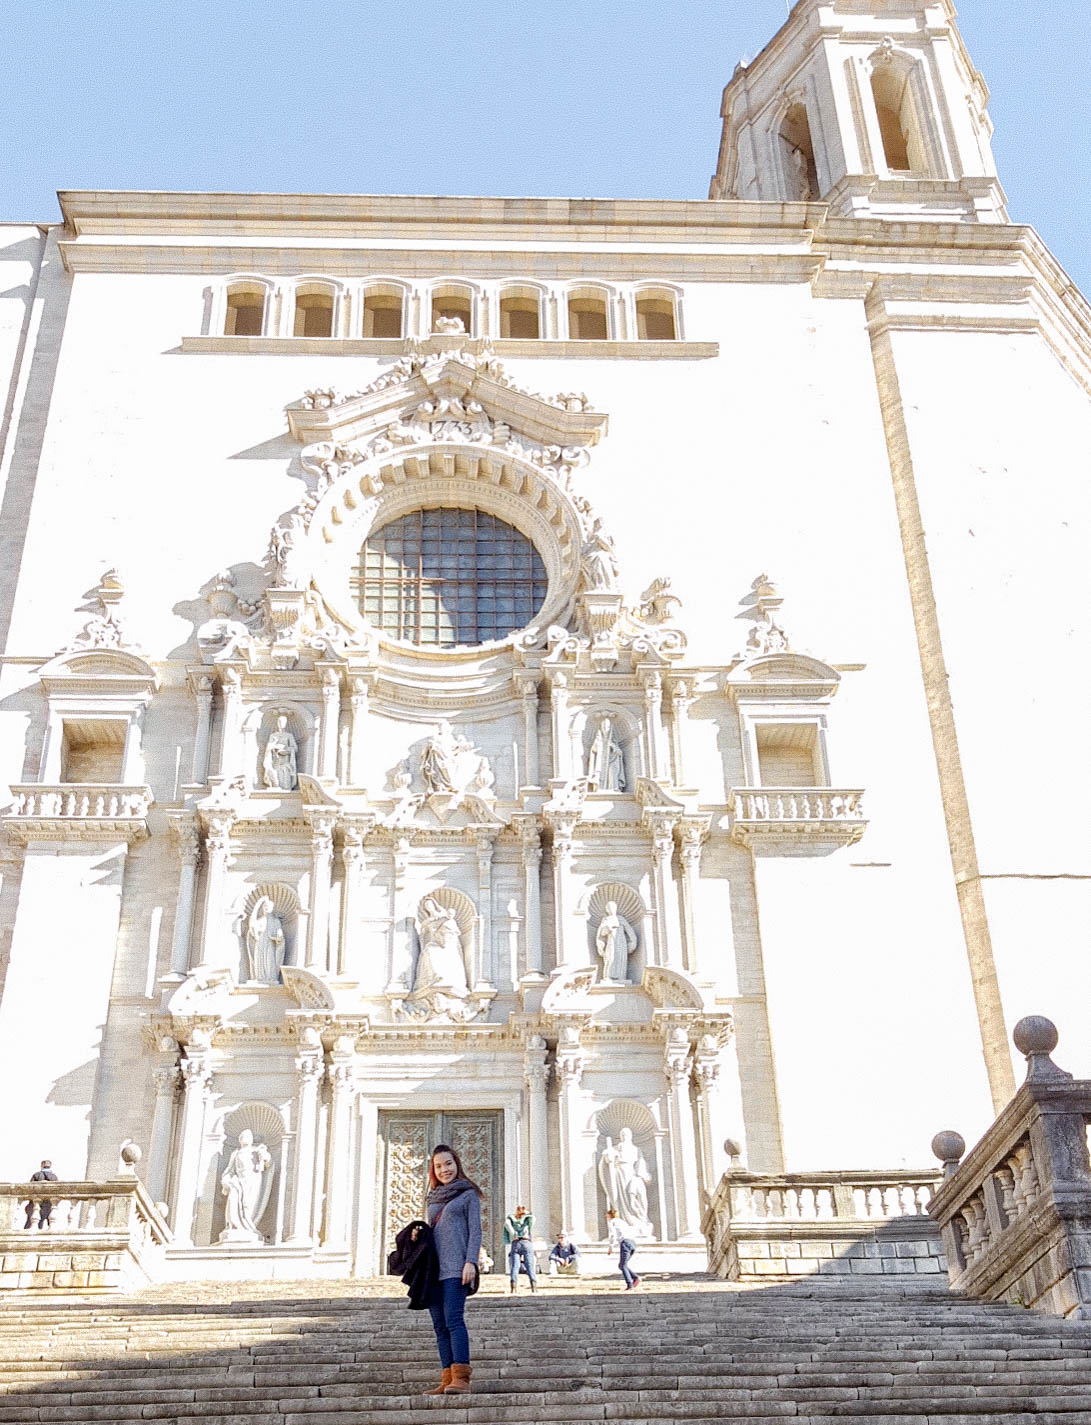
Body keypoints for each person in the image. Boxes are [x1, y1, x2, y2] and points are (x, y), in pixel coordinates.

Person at [422, 1143, 481, 1396]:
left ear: (457, 1164)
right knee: (439, 1325)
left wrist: (471, 1262)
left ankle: (462, 1379)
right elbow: (431, 1232)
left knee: (454, 1320)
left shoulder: (468, 1194)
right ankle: (447, 1378)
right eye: (438, 1166)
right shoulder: (432, 1198)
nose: (444, 1169)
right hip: (433, 1271)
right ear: (433, 1171)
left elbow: (476, 1231)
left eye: (448, 1163)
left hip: (457, 1268)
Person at [502, 1204, 537, 1294]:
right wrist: (527, 1213)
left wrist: (513, 1233)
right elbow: (533, 1219)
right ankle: (534, 1287)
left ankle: (513, 1288)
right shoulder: (527, 1219)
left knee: (515, 1266)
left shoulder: (511, 1219)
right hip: (526, 1242)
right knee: (530, 1265)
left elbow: (506, 1224)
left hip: (516, 1242)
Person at [606, 1207, 641, 1291]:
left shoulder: (612, 1222)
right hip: (632, 1243)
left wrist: (611, 1247)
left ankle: (630, 1284)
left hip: (625, 1243)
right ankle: (635, 1278)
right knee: (622, 1265)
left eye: (607, 1216)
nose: (606, 1218)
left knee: (623, 1265)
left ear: (610, 1216)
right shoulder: (623, 1222)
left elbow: (612, 1234)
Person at [24, 1160, 57, 1230]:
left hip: (34, 1202)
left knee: (31, 1222)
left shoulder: (36, 1175)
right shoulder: (54, 1177)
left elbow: (30, 1188)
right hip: (48, 1203)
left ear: (42, 1165)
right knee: (48, 1222)